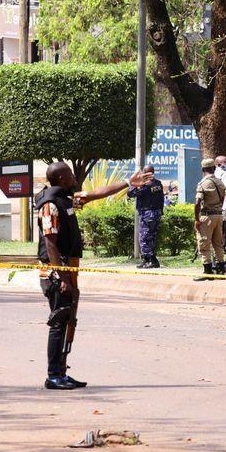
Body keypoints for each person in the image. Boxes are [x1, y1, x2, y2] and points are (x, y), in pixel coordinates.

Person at [37, 163, 149, 390]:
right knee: (59, 322)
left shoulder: (65, 199)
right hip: (57, 274)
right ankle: (53, 375)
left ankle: (62, 371)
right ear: (61, 177)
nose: (73, 177)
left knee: (69, 320)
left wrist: (128, 183)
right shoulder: (50, 205)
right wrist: (65, 279)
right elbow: (50, 245)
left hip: (68, 272)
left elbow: (96, 194)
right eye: (69, 174)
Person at [194, 158, 226, 280]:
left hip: (207, 216)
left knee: (204, 243)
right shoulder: (219, 182)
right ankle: (221, 271)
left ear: (203, 169)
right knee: (218, 243)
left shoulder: (203, 183)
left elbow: (197, 202)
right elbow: (223, 197)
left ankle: (207, 272)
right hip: (218, 215)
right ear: (213, 168)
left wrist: (197, 219)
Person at [127, 165, 165, 268]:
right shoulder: (158, 183)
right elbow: (162, 199)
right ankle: (146, 260)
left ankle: (153, 260)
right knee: (151, 237)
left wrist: (134, 183)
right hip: (156, 213)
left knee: (144, 238)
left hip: (147, 214)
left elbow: (130, 193)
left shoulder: (145, 185)